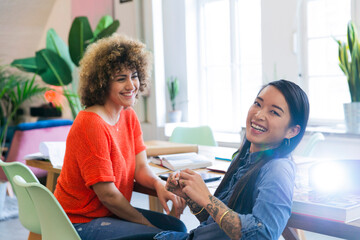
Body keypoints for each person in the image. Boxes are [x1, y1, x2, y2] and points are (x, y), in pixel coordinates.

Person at [54, 34, 187, 240]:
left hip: (108, 214)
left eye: (134, 75)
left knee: (178, 229)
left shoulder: (128, 115)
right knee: (163, 236)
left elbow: (141, 168)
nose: (131, 85)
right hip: (77, 222)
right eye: (120, 78)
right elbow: (107, 195)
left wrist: (158, 184)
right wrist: (145, 224)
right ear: (102, 83)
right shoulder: (91, 123)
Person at [155, 80, 310, 240]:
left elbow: (263, 235)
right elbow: (217, 226)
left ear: (292, 131)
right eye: (258, 104)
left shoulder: (278, 169)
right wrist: (190, 196)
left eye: (274, 112)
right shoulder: (243, 158)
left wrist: (208, 199)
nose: (259, 115)